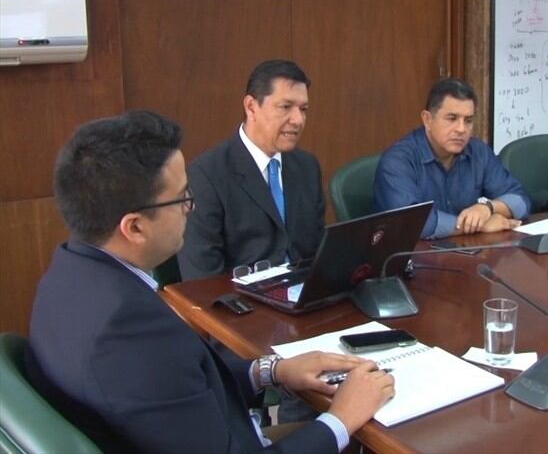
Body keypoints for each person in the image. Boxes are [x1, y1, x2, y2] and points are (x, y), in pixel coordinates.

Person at [26, 111, 394, 453]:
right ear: (134, 227)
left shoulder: (67, 275)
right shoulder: (128, 333)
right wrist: (341, 420)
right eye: (183, 197)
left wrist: (272, 371)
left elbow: (179, 388)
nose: (192, 207)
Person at [178, 59, 325, 281]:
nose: (298, 120)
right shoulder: (206, 175)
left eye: (303, 109)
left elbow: (317, 251)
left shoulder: (306, 166)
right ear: (251, 107)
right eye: (285, 107)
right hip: (244, 305)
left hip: (305, 297)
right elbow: (201, 278)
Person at [373, 78, 530, 239]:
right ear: (427, 119)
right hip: (411, 258)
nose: (461, 129)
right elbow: (412, 224)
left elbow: (521, 202)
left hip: (465, 254)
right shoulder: (397, 161)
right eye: (452, 118)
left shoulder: (478, 152)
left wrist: (487, 208)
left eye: (468, 120)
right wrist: (478, 225)